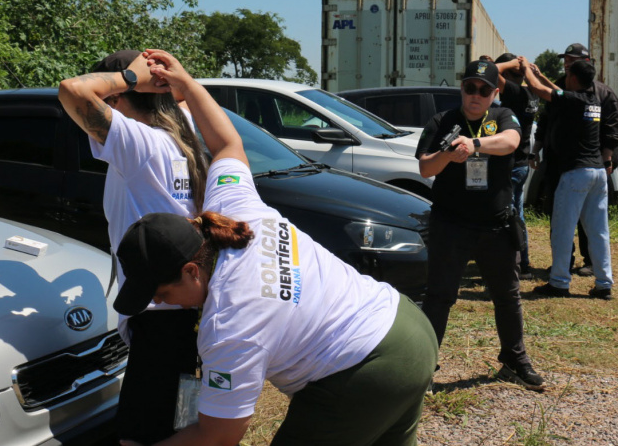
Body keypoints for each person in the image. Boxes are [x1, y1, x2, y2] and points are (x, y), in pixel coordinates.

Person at [114, 49, 438, 446]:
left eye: (164, 294)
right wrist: (188, 85)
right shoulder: (235, 212)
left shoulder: (230, 324)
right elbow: (228, 143)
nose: (166, 303)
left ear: (191, 271)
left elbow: (218, 437)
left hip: (364, 369)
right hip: (406, 327)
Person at [58, 50, 208, 445]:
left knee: (139, 433)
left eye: (112, 95)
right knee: (182, 416)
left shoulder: (139, 143)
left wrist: (127, 75)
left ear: (120, 97)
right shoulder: (182, 136)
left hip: (159, 311)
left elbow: (72, 91)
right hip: (186, 305)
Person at [415, 59, 545, 391]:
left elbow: (512, 142)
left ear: (494, 93)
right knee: (439, 297)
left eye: (484, 90)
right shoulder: (443, 121)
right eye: (470, 88)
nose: (476, 95)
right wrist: (448, 155)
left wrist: (474, 144)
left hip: (495, 227)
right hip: (451, 225)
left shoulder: (502, 117)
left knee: (507, 295)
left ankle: (514, 360)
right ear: (462, 88)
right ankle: (423, 368)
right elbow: (425, 169)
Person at [523, 58, 614, 300]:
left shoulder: (573, 100)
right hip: (597, 174)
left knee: (562, 230)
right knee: (598, 231)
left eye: (568, 74)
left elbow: (540, 91)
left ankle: (559, 282)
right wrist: (540, 74)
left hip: (576, 173)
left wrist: (525, 71)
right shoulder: (592, 99)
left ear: (574, 78)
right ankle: (604, 284)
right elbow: (555, 89)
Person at [495, 52, 540, 280]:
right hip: (522, 162)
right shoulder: (532, 92)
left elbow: (489, 72)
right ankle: (524, 263)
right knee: (517, 213)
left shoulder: (514, 92)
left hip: (511, 163)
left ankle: (512, 264)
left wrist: (511, 64)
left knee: (506, 215)